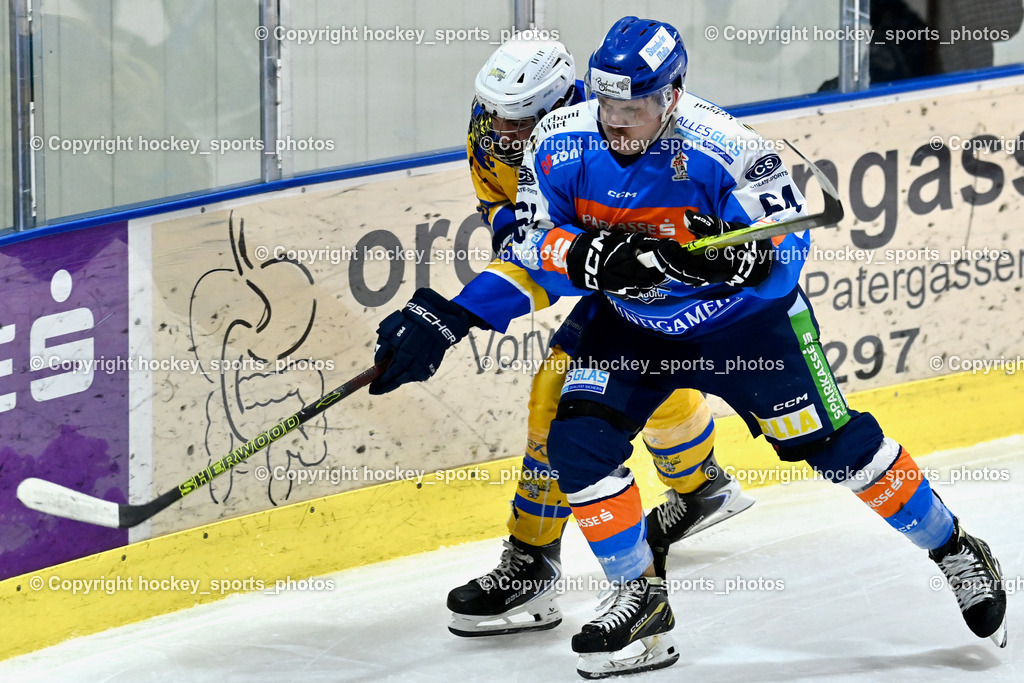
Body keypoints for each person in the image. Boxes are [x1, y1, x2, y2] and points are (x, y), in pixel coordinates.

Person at [490, 15, 1006, 678]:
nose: (616, 123)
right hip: (635, 328)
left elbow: (787, 249)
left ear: (672, 95)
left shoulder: (728, 147)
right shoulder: (557, 143)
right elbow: (529, 242)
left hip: (745, 327)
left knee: (838, 449)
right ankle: (642, 603)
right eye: (607, 105)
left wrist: (745, 262)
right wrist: (594, 257)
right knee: (576, 444)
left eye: (635, 108)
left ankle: (954, 546)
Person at [369, 37, 752, 640]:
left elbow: (567, 256)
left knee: (564, 393)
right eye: (493, 114)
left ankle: (534, 561)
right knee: (614, 386)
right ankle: (701, 484)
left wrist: (474, 304)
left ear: (560, 106)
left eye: (520, 121)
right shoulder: (490, 129)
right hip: (596, 266)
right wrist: (459, 308)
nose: (502, 129)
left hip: (658, 276)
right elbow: (510, 220)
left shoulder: (605, 132)